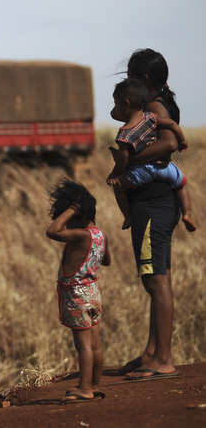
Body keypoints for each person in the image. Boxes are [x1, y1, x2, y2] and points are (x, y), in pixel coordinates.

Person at [116, 48, 182, 380]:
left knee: (156, 280)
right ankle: (152, 352)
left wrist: (128, 158)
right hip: (161, 201)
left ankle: (163, 359)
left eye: (129, 78)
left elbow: (169, 144)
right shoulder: (163, 104)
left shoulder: (155, 107)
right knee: (157, 277)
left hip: (152, 203)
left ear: (142, 80)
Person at [46, 180, 111, 400]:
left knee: (83, 345)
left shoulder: (80, 236)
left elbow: (52, 231)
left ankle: (84, 389)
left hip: (77, 296)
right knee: (95, 343)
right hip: (93, 292)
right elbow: (107, 260)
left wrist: (72, 208)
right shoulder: (99, 235)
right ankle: (94, 384)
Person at [106, 77, 195, 232]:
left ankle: (127, 216)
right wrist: (182, 141)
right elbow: (172, 124)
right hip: (164, 167)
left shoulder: (124, 135)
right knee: (181, 184)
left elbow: (124, 160)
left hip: (141, 172)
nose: (114, 109)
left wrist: (115, 174)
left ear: (125, 104)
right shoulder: (151, 117)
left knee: (118, 188)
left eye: (116, 104)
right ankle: (187, 214)